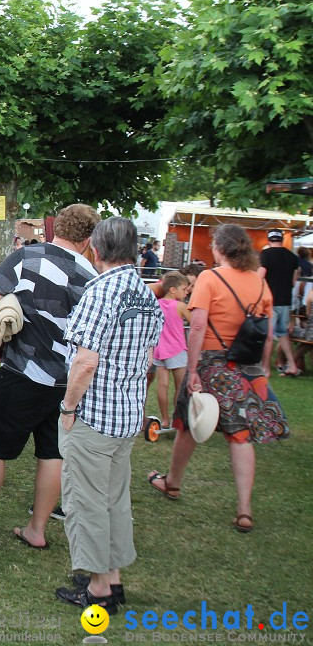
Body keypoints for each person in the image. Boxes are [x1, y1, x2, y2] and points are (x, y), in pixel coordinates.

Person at [0, 203, 100, 549]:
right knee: (52, 454)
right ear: (89, 238)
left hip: (21, 372)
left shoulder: (27, 257)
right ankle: (37, 530)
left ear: (54, 226)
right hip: (65, 383)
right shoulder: (91, 276)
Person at [148, 224, 289, 534]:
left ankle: (172, 483)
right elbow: (265, 335)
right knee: (240, 435)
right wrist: (263, 368)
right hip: (246, 366)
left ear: (221, 249)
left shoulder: (211, 278)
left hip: (213, 362)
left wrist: (194, 369)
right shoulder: (259, 283)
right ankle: (244, 510)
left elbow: (197, 327)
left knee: (188, 422)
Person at [54, 217, 164, 614]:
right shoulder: (146, 294)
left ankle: (98, 587)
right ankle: (113, 578)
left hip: (95, 414)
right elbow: (148, 358)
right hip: (127, 413)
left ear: (95, 251)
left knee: (86, 500)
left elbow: (85, 361)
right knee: (115, 499)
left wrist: (68, 407)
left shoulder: (101, 292)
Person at [151, 271, 192, 430]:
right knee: (180, 386)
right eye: (184, 289)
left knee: (162, 386)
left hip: (159, 350)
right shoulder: (180, 306)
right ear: (173, 290)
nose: (186, 292)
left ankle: (165, 419)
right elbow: (195, 322)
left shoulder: (156, 303)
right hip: (176, 350)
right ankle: (178, 417)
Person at [258, 229, 301, 376]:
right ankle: (292, 365)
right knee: (282, 334)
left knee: (268, 335)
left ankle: (265, 368)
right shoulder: (292, 257)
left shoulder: (266, 255)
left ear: (269, 240)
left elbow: (260, 276)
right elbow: (294, 280)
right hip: (285, 300)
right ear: (281, 240)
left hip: (270, 300)